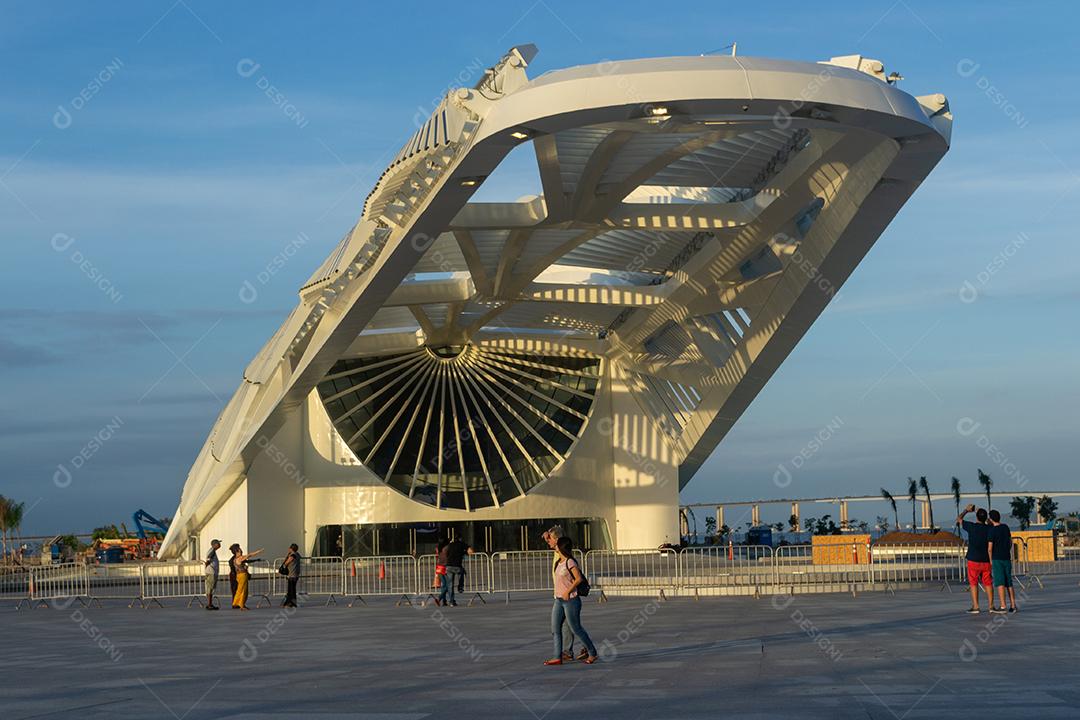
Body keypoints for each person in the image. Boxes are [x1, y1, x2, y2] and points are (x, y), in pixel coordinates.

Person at [544, 537, 598, 666]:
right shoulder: (558, 562)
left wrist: (568, 591)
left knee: (576, 628)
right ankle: (557, 656)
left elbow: (578, 579)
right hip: (558, 600)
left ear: (562, 547)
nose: (555, 547)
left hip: (571, 600)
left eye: (557, 545)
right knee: (555, 628)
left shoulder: (570, 562)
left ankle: (592, 652)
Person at [543, 525, 580, 661]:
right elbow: (553, 543)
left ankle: (584, 649)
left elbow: (578, 579)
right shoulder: (558, 553)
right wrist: (548, 537)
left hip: (567, 597)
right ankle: (564, 652)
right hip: (559, 596)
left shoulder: (567, 559)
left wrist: (567, 592)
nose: (550, 543)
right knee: (566, 625)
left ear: (558, 541)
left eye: (552, 540)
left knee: (572, 626)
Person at [957, 504, 993, 614]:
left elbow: (959, 519)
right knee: (988, 583)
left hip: (973, 559)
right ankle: (991, 606)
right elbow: (991, 522)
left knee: (973, 583)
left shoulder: (971, 527)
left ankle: (976, 606)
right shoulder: (989, 528)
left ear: (976, 517)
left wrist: (966, 510)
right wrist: (980, 511)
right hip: (986, 560)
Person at [987, 510, 1018, 614]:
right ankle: (1013, 605)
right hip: (1006, 557)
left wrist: (991, 561)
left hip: (997, 558)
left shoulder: (992, 531)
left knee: (1000, 582)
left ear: (991, 519)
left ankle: (1003, 605)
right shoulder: (1005, 527)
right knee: (1009, 582)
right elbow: (1010, 541)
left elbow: (990, 548)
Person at [439, 536, 473, 607]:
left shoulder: (449, 546)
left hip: (448, 567)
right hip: (457, 566)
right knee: (462, 572)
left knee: (450, 585)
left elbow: (447, 554)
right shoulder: (461, 544)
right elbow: (468, 550)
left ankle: (451, 602)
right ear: (460, 539)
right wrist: (465, 553)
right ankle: (460, 587)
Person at [229, 543, 263, 610]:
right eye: (240, 550)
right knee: (243, 590)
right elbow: (249, 555)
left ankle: (237, 603)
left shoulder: (234, 559)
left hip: (239, 575)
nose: (241, 551)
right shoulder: (240, 558)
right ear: (237, 551)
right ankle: (242, 605)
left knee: (240, 590)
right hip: (242, 575)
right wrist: (258, 552)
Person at [203, 539, 222, 610]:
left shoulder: (213, 551)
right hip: (211, 572)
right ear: (214, 544)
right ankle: (209, 604)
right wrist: (207, 563)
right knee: (210, 588)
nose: (219, 545)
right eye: (218, 543)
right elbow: (208, 558)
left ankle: (210, 604)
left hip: (212, 572)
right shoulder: (212, 551)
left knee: (211, 588)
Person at [282, 543, 301, 608]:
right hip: (295, 574)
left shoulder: (292, 555)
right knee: (292, 589)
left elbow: (286, 563)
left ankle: (291, 603)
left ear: (291, 549)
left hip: (292, 575)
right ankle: (290, 602)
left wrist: (284, 565)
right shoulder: (298, 554)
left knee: (291, 590)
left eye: (289, 548)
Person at [432, 538, 449, 605]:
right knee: (448, 585)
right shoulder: (447, 548)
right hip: (444, 567)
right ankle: (439, 598)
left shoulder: (439, 548)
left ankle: (444, 601)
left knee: (443, 585)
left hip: (439, 567)